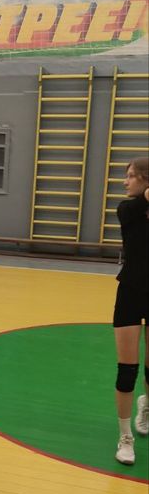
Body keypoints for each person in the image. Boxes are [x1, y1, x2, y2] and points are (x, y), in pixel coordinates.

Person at [113, 157, 149, 465]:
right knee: (127, 371)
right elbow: (138, 207)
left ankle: (145, 405)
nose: (125, 181)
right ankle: (125, 437)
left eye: (131, 176)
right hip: (130, 293)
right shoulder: (126, 209)